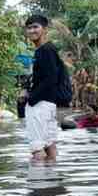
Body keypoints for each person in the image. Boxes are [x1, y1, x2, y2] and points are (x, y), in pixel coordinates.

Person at [21, 13, 61, 162]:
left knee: (37, 149)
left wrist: (31, 98)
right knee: (50, 145)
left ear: (45, 29)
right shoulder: (48, 49)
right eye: (29, 28)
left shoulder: (45, 50)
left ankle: (39, 177)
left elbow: (51, 78)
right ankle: (51, 175)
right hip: (49, 104)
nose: (32, 31)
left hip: (39, 105)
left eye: (35, 27)